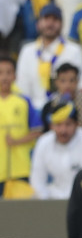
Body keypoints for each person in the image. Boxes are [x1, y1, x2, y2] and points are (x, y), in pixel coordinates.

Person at [15, 5, 82, 111]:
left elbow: (77, 85)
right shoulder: (27, 51)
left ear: (62, 24)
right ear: (38, 24)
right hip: (32, 111)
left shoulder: (74, 50)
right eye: (46, 19)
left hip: (65, 109)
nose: (50, 24)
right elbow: (22, 87)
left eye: (55, 19)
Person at [30, 102, 82, 199]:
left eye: (68, 124)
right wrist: (45, 204)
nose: (63, 130)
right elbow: (37, 180)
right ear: (51, 126)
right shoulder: (43, 142)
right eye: (58, 124)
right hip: (53, 199)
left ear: (77, 124)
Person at [0, 54, 41, 195]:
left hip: (20, 167)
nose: (4, 77)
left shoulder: (24, 101)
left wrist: (17, 141)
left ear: (15, 76)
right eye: (0, 73)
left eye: (8, 72)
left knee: (19, 212)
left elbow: (37, 130)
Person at [41, 63, 82, 135]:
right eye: (63, 81)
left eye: (71, 81)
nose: (67, 85)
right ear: (56, 83)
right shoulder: (48, 107)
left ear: (77, 82)